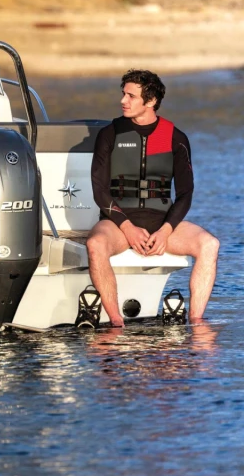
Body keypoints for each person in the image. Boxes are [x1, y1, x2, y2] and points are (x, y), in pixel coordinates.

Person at [86, 69, 219, 327]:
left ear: (150, 101)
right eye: (123, 94)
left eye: (131, 96)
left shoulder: (175, 138)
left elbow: (185, 194)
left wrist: (166, 231)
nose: (123, 101)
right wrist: (128, 228)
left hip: (161, 222)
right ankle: (116, 322)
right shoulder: (110, 134)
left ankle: (197, 322)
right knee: (95, 245)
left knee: (209, 244)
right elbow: (99, 190)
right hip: (118, 223)